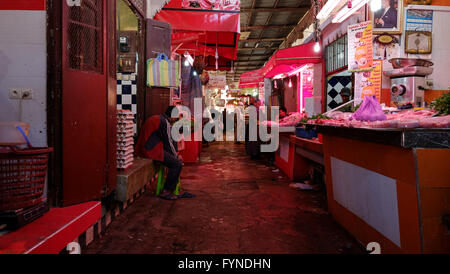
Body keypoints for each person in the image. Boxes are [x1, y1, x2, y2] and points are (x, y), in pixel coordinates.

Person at [135, 106, 195, 201]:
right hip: (151, 150)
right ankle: (167, 191)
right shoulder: (165, 122)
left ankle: (170, 188)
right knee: (177, 164)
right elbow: (169, 142)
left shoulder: (158, 118)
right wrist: (176, 156)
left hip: (144, 149)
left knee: (173, 159)